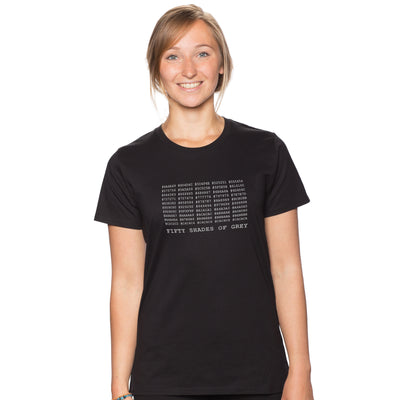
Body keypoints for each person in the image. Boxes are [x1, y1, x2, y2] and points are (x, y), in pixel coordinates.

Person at [94, 4, 314, 400]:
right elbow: (126, 282)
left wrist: (300, 372)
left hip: (259, 377)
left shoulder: (266, 152)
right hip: (163, 380)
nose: (189, 70)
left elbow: (286, 268)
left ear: (222, 64)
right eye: (173, 56)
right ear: (157, 71)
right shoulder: (128, 165)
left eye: (202, 53)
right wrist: (117, 385)